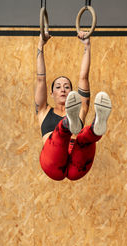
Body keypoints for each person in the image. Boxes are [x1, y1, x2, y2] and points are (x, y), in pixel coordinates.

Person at [34, 31, 112, 181]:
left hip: (77, 165)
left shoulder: (81, 108)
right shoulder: (43, 110)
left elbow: (83, 76)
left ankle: (96, 126)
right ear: (51, 94)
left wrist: (87, 46)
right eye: (58, 87)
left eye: (67, 87)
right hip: (53, 164)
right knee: (61, 134)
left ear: (72, 92)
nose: (62, 89)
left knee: (84, 138)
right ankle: (68, 123)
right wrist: (40, 45)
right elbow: (40, 79)